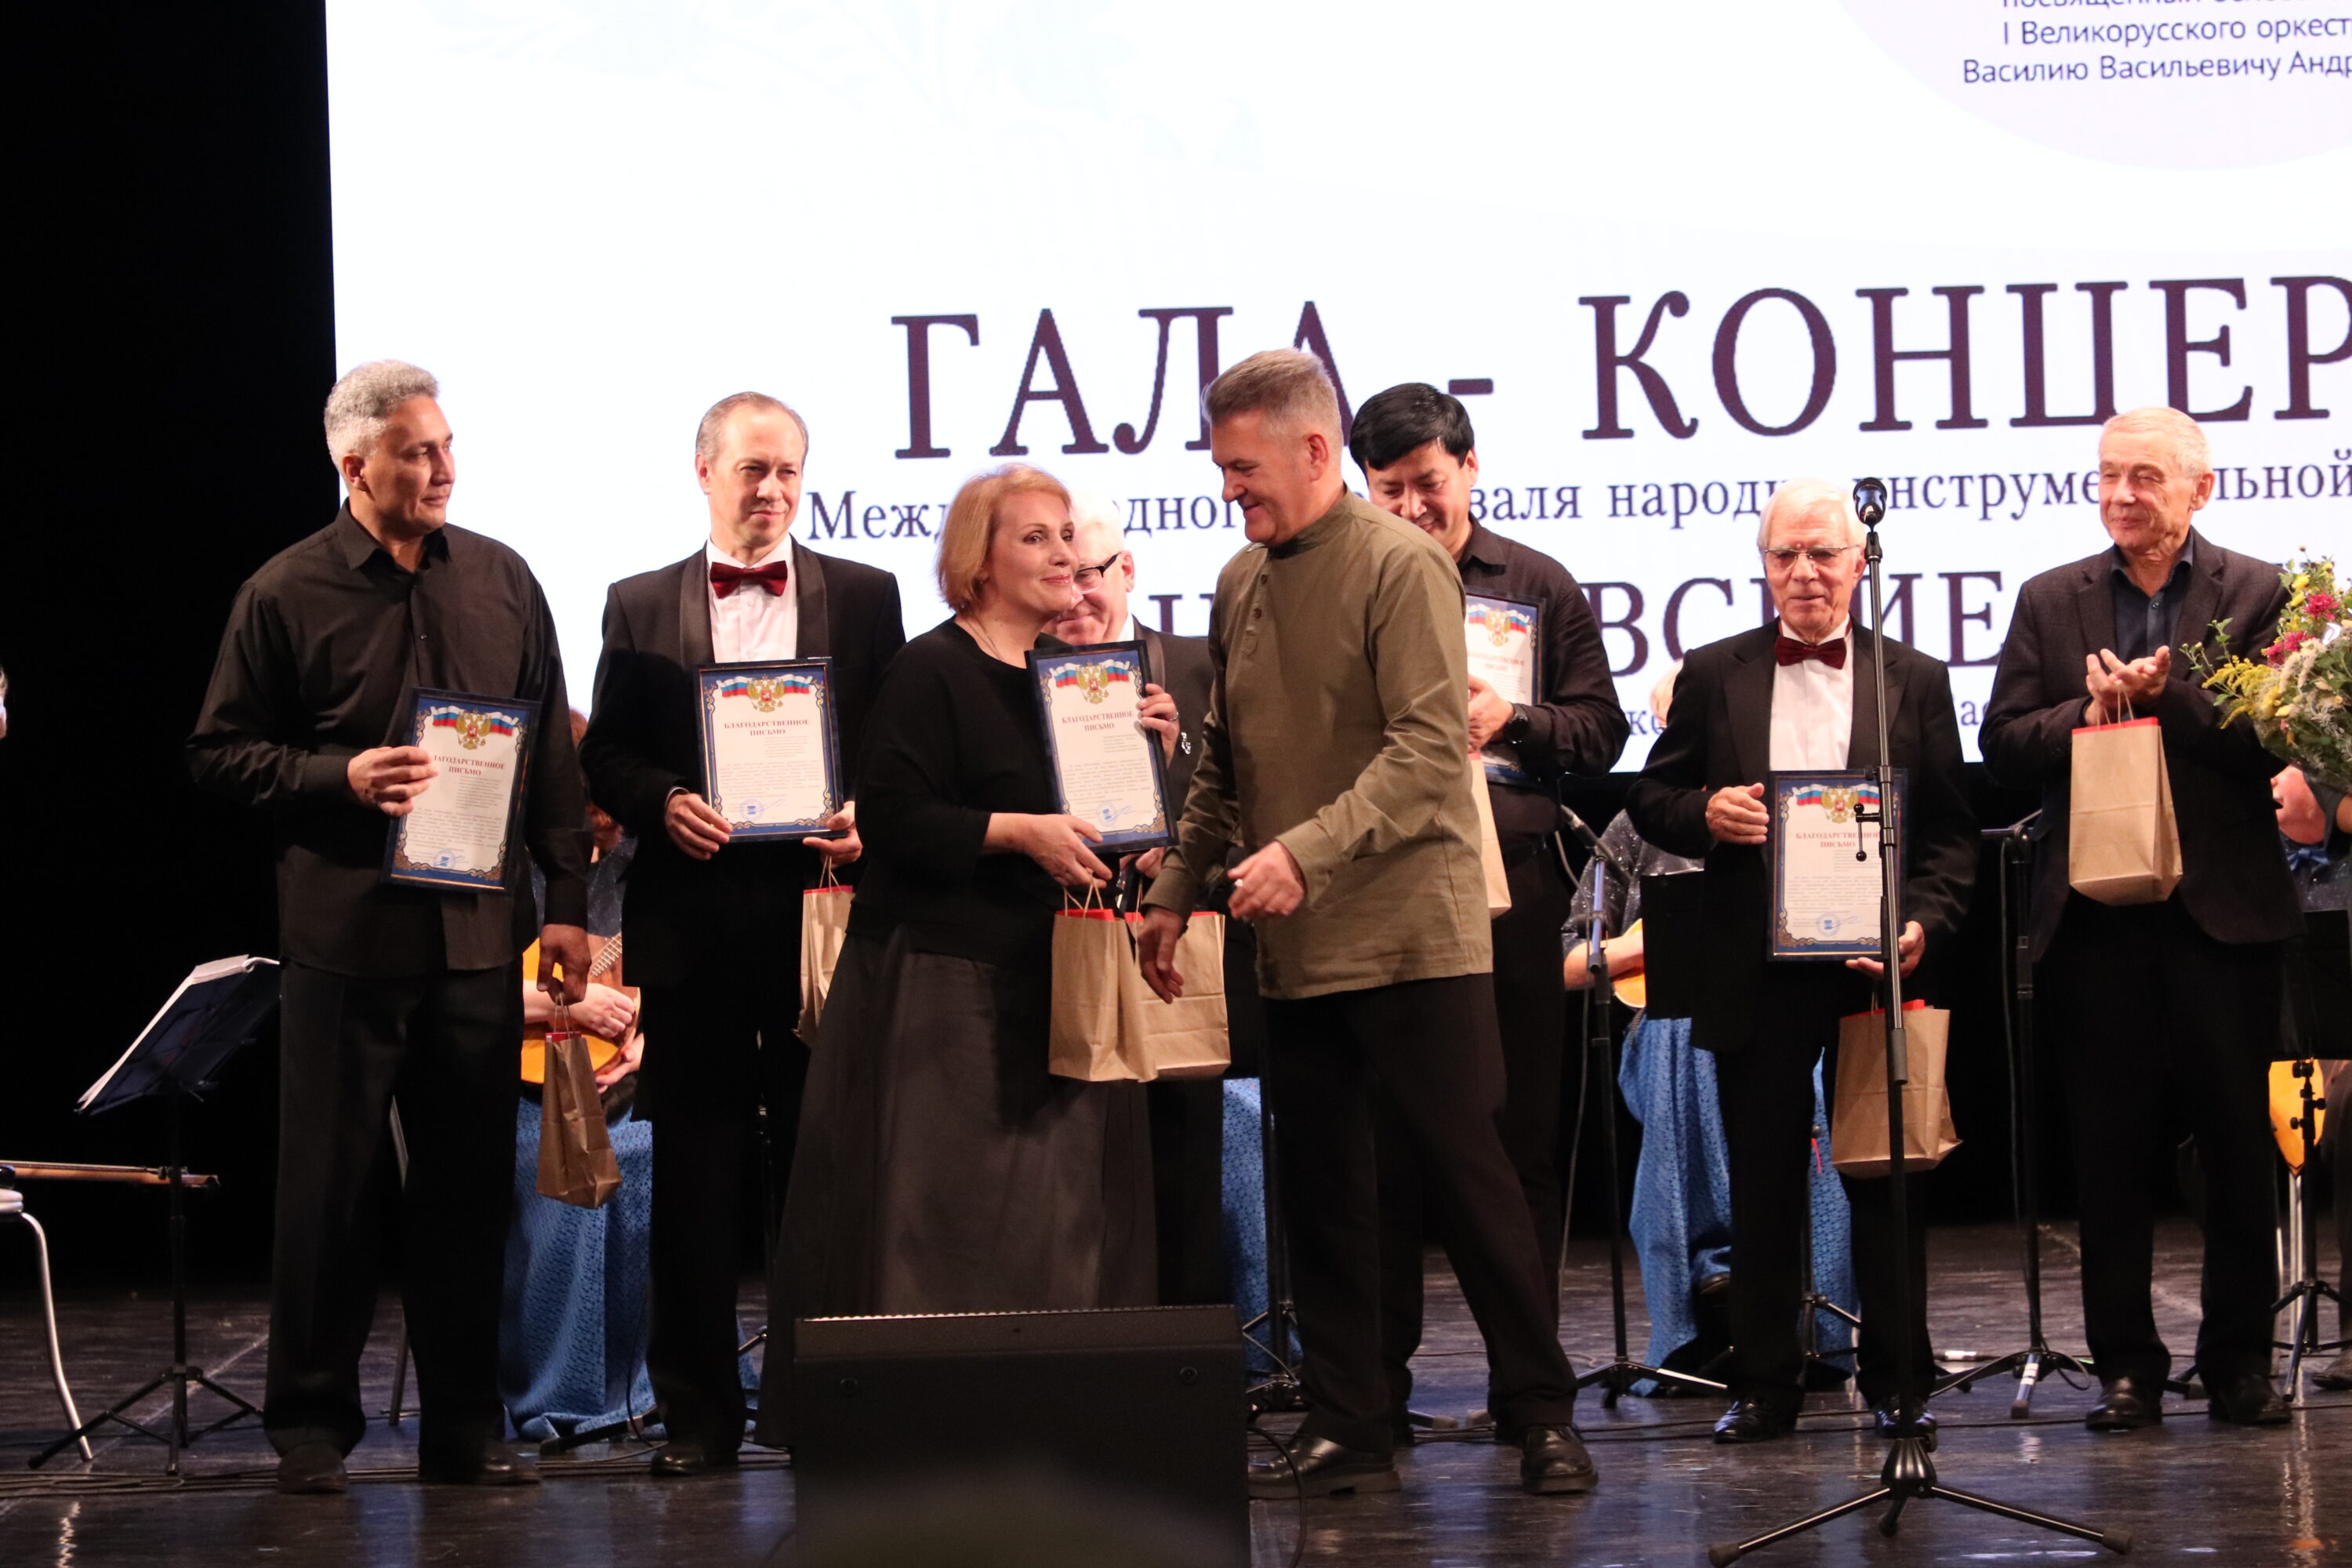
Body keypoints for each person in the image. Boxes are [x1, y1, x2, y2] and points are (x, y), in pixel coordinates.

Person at [1136, 350, 1592, 1499]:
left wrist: (1303, 852)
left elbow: (1428, 750)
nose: (1229, 489)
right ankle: (1353, 1416)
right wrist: (1175, 889)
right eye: (1220, 468)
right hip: (1296, 946)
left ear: (1312, 449)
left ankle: (1541, 1411)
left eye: (1244, 467)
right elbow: (1224, 761)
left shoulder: (1399, 562)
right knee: (1327, 1194)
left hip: (1412, 935)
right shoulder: (1240, 581)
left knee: (1472, 1182)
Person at [188, 360, 592, 1494]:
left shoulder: (503, 578)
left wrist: (566, 906)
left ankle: (464, 1429)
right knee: (331, 1189)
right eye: (418, 452)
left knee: (467, 1191)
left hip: (477, 939)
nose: (443, 468)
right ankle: (313, 1428)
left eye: (447, 446)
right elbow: (218, 752)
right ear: (353, 464)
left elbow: (551, 759)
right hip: (348, 938)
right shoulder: (284, 591)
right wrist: (339, 775)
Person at [770, 464, 1172, 1438]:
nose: (1064, 554)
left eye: (1067, 535)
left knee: (1060, 1218)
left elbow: (1104, 824)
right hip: (943, 986)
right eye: (1035, 537)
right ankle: (932, 1429)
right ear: (977, 560)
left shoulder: (1073, 678)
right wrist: (1018, 832)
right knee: (943, 1223)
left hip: (1060, 976)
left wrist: (1155, 765)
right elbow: (895, 817)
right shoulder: (930, 668)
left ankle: (1050, 1420)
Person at [578, 391, 905, 1477]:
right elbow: (606, 753)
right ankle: (699, 1420)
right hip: (694, 931)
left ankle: (833, 1408)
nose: (772, 490)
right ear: (704, 471)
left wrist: (865, 811)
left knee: (829, 1172)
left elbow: (896, 744)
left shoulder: (865, 594)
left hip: (822, 921)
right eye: (753, 469)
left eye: (788, 471)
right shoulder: (637, 602)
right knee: (697, 1181)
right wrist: (662, 798)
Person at [1626, 477, 1975, 1445]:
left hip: (1875, 963)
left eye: (1824, 553)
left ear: (1860, 562)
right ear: (1764, 565)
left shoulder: (1915, 676)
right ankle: (1765, 1385)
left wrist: (1922, 923)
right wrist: (1706, 811)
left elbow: (1951, 833)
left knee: (1887, 1176)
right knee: (1764, 1181)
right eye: (1786, 555)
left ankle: (1899, 1379)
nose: (1806, 572)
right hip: (1757, 963)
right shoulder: (1714, 671)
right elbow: (1652, 798)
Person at [1982, 406, 2299, 1432]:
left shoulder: (2259, 593)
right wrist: (2090, 711)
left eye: (2146, 477)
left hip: (2221, 919)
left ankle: (2240, 1362)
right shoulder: (2051, 598)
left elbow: (2273, 739)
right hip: (2095, 920)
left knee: (2238, 1153)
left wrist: (2173, 696)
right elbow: (2002, 744)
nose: (2121, 495)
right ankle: (2127, 1366)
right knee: (2110, 1157)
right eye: (2109, 475)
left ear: (2200, 489)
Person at [1347, 382, 1628, 1432]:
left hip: (1512, 885)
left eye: (1428, 482)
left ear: (1470, 468)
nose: (1411, 507)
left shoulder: (1536, 584)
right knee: (1382, 1143)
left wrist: (1515, 719)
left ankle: (1528, 1388)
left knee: (1518, 1139)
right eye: (1388, 489)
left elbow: (1601, 730)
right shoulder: (1345, 584)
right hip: (1381, 884)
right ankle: (1375, 1388)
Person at [1566, 666, 1858, 1391]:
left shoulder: (1795, 809)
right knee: (1691, 1038)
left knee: (1781, 1048)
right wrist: (1648, 945)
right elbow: (1571, 961)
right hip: (1671, 1028)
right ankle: (1698, 1309)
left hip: (1783, 1021)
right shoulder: (1635, 829)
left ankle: (1805, 1313)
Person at [1055, 492, 1228, 1308]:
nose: (1073, 596)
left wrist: (1174, 764)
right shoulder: (1017, 672)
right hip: (1059, 940)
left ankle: (1192, 1343)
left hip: (1176, 945)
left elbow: (1241, 799)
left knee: (1182, 1154)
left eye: (1087, 574)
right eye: (1057, 577)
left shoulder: (1198, 665)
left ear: (1127, 568)